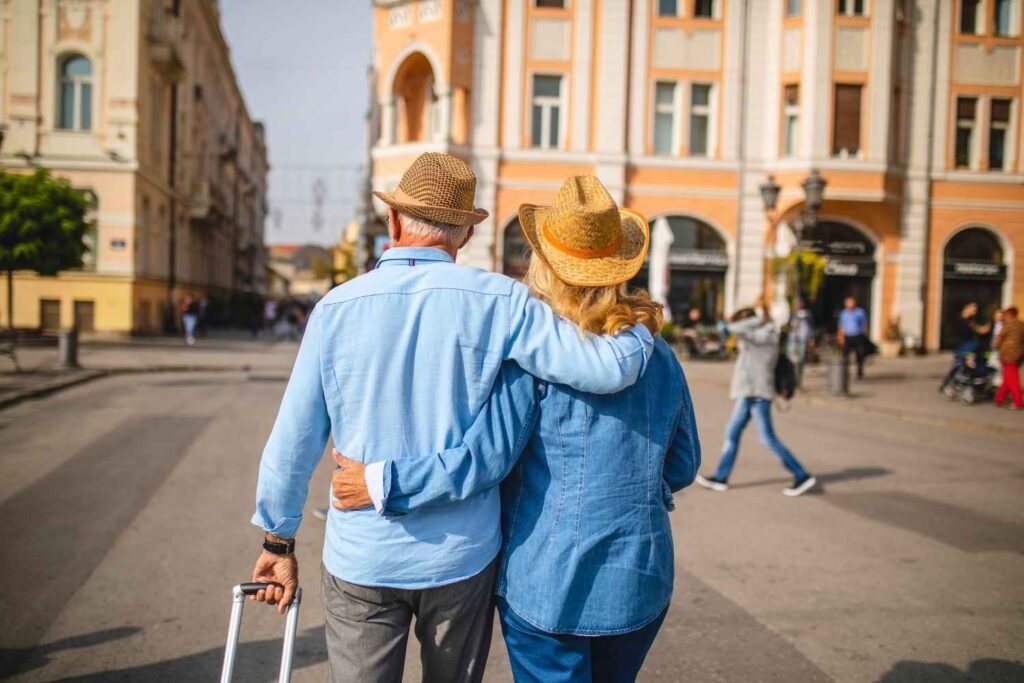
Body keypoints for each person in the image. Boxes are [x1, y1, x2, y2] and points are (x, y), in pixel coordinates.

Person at [247, 154, 655, 683]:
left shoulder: (335, 308)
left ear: (393, 223)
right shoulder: (503, 302)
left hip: (363, 554)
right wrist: (643, 328)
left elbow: (292, 443)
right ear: (463, 235)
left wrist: (277, 542)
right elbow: (600, 370)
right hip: (460, 558)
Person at [331, 175, 700, 683]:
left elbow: (482, 462)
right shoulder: (658, 355)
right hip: (641, 578)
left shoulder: (534, 358)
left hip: (548, 584)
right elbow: (684, 464)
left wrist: (382, 481)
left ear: (544, 264)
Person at [696, 306, 816, 496]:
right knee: (732, 433)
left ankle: (801, 475)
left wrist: (749, 321)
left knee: (767, 438)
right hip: (749, 393)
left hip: (758, 394)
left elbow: (735, 329)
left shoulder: (764, 336)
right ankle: (721, 477)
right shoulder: (756, 336)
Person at [940, 302, 991, 392]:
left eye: (975, 310)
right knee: (958, 364)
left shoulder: (971, 321)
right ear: (966, 308)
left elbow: (976, 330)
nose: (974, 311)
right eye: (973, 309)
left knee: (964, 364)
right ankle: (947, 384)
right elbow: (959, 332)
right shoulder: (959, 319)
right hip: (962, 345)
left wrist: (982, 330)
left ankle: (953, 383)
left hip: (970, 345)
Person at [994, 306, 1023, 410]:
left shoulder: (1007, 325)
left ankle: (1018, 402)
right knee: (1008, 378)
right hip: (1018, 355)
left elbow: (999, 338)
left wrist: (996, 346)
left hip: (1007, 354)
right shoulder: (1021, 324)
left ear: (1010, 314)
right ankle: (999, 398)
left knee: (1013, 380)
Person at [838, 296, 868, 379]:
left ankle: (859, 371)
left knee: (860, 354)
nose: (849, 304)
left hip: (857, 335)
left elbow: (864, 324)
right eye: (847, 303)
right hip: (847, 336)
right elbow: (841, 326)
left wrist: (864, 335)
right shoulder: (843, 314)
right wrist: (841, 337)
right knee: (845, 355)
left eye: (851, 302)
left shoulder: (860, 312)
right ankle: (845, 372)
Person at [787, 299, 814, 386]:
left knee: (800, 360)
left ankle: (799, 378)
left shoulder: (808, 314)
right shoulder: (793, 314)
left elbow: (810, 327)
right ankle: (792, 378)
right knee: (791, 360)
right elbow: (789, 326)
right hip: (792, 339)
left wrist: (811, 338)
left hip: (802, 339)